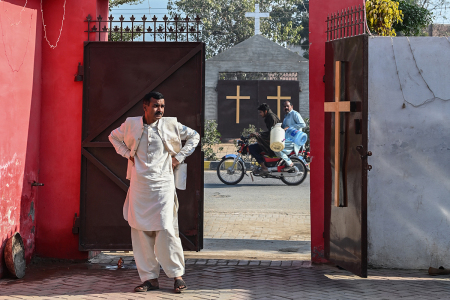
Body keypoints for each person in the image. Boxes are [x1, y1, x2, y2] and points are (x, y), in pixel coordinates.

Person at [109, 91, 200, 294]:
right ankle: (149, 279)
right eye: (156, 106)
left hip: (163, 185)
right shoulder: (131, 125)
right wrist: (127, 155)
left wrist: (180, 157)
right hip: (140, 187)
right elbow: (113, 137)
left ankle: (177, 276)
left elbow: (195, 136)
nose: (160, 110)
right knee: (141, 233)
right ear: (145, 107)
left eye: (162, 106)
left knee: (167, 230)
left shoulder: (171, 125)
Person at [248, 103, 280, 174]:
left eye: (261, 112)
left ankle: (264, 167)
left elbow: (272, 133)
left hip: (272, 143)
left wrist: (258, 135)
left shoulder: (271, 118)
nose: (260, 114)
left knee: (252, 148)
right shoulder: (270, 117)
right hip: (272, 141)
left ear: (266, 111)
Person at [275, 100, 306, 172]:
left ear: (291, 107)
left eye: (287, 106)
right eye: (284, 106)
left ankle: (289, 163)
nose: (286, 108)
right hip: (288, 140)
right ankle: (284, 162)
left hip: (294, 141)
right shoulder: (286, 116)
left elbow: (303, 124)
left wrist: (290, 127)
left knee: (276, 147)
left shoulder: (294, 114)